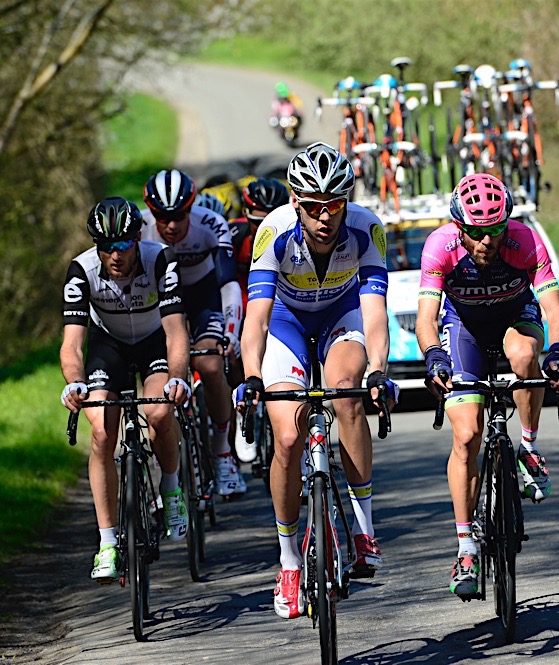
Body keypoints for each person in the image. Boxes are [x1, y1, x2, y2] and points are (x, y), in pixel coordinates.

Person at [237, 142, 397, 619]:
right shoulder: (274, 231)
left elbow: (375, 315)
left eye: (334, 205)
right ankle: (288, 560)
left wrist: (378, 369)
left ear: (347, 202)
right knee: (287, 437)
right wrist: (251, 376)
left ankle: (364, 530)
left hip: (339, 316)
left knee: (348, 394)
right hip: (286, 322)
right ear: (295, 202)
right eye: (312, 207)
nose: (324, 217)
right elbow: (256, 319)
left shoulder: (367, 229)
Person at [414, 173, 559, 598]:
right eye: (476, 232)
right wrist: (434, 355)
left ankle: (529, 448)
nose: (487, 241)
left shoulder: (525, 241)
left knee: (524, 357)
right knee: (467, 435)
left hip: (515, 318)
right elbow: (426, 319)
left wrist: (558, 351)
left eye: (496, 229)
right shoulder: (439, 246)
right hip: (463, 327)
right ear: (459, 226)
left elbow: (554, 308)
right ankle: (466, 548)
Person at [59, 196, 191, 583]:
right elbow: (72, 344)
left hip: (153, 343)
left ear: (138, 239)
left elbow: (176, 331)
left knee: (160, 411)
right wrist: (75, 382)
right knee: (102, 430)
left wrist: (178, 376)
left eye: (122, 245)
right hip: (108, 348)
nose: (115, 255)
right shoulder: (81, 270)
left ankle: (171, 490)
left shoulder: (160, 259)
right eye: (106, 246)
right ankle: (107, 543)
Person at [140, 168, 247, 497]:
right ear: (151, 212)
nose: (171, 225)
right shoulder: (140, 227)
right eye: (162, 217)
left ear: (191, 208)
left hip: (202, 297)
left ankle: (223, 453)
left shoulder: (211, 224)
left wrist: (231, 333)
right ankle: (164, 462)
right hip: (159, 303)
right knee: (156, 378)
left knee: (211, 365)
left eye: (179, 216)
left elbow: (228, 284)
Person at [227, 177, 291, 463]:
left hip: (279, 301)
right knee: (236, 349)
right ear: (245, 215)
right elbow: (225, 284)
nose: (267, 227)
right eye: (258, 221)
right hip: (243, 300)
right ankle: (244, 409)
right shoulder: (235, 236)